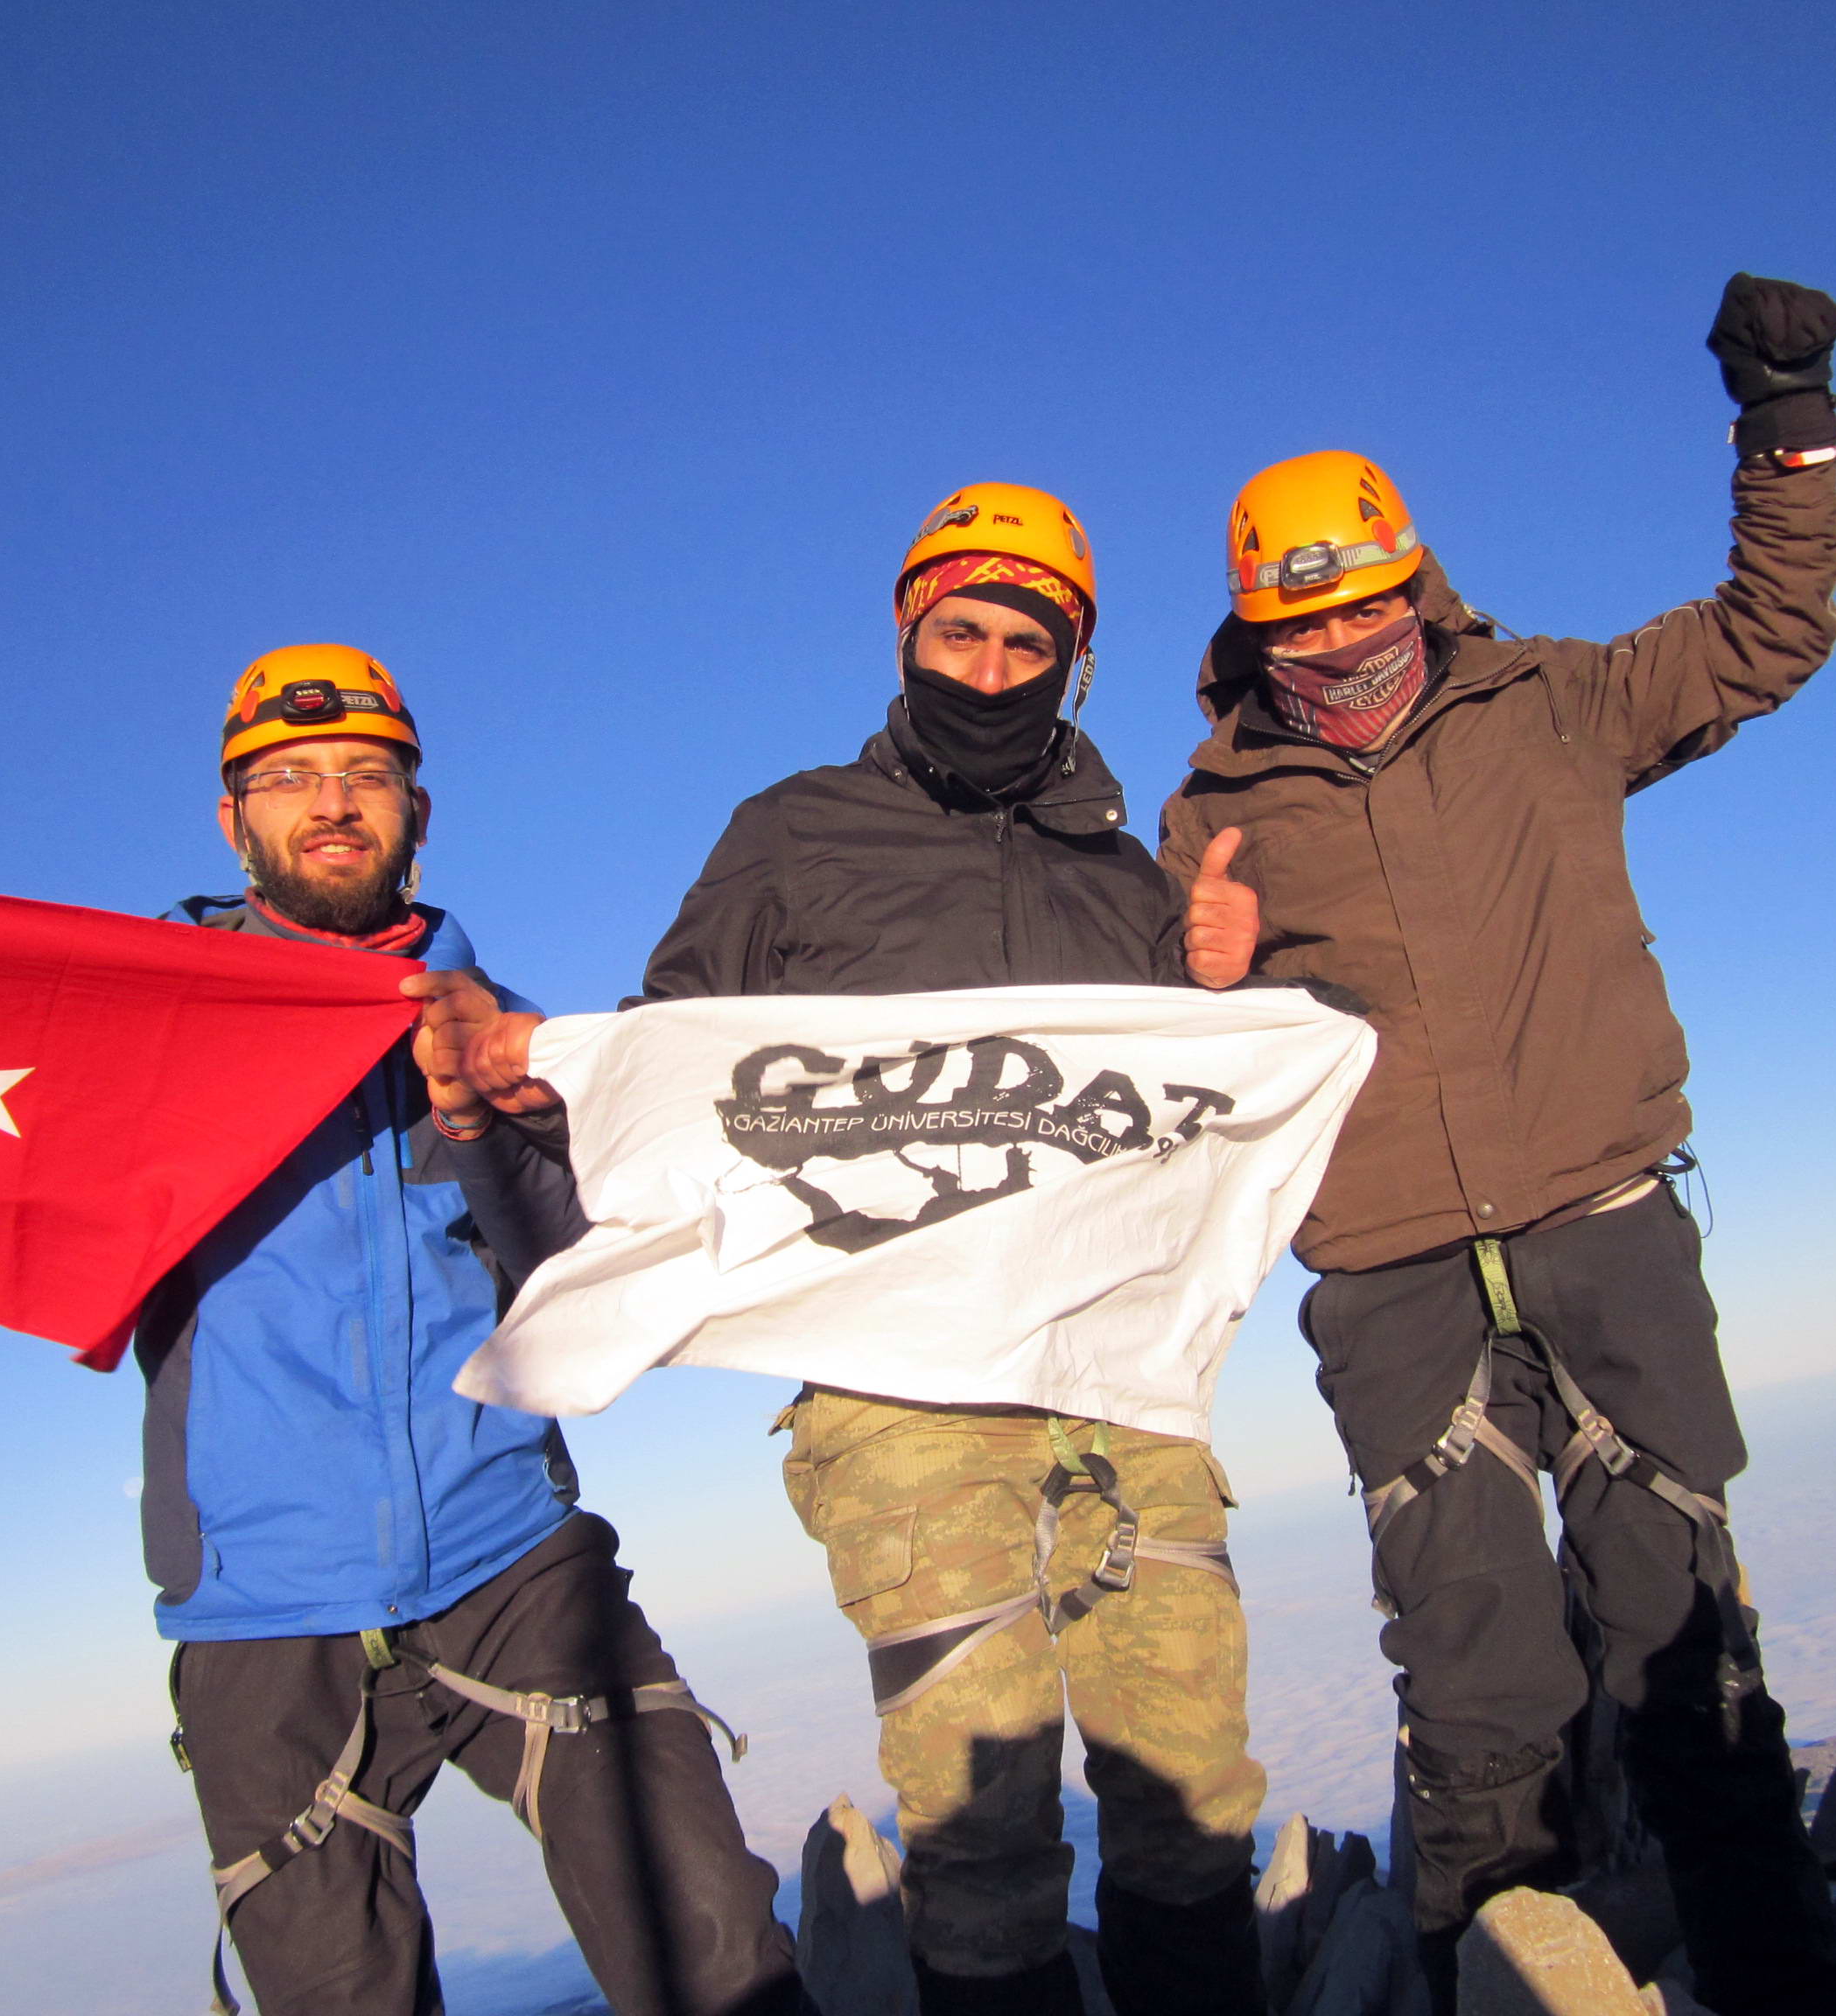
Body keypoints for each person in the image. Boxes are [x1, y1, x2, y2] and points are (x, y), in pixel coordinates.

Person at [472, 487, 1273, 2016]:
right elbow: (678, 1053)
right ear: (909, 635)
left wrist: (1221, 986)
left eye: (1026, 643)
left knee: (1190, 1787)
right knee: (981, 1826)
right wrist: (553, 1083)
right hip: (895, 1389)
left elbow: (1185, 1119)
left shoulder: (1130, 878)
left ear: (1075, 660)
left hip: (1114, 1382)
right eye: (960, 633)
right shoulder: (795, 833)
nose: (990, 669)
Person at [1155, 276, 1836, 2012]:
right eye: (1306, 622)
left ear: (1419, 581)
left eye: (1370, 602)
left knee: (1686, 1654)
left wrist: (1786, 426)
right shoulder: (1211, 813)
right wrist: (1198, 977)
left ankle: (1781, 1989)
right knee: (1477, 1703)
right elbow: (1175, 1075)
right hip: (1392, 1286)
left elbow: (1767, 633)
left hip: (1604, 1232)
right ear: (1253, 630)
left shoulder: (1554, 701)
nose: (1346, 643)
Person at [138, 643, 800, 2016]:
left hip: (510, 1553)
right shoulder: (151, 1029)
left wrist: (491, 1114)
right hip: (266, 1603)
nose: (332, 802)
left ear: (417, 813)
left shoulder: (509, 1034)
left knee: (720, 1954)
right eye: (290, 778)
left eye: (365, 776)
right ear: (233, 820)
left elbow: (581, 1274)